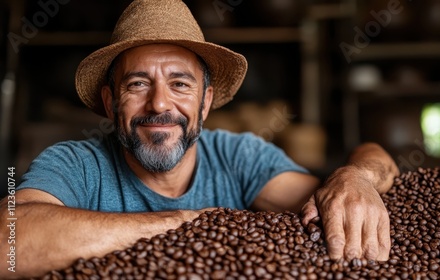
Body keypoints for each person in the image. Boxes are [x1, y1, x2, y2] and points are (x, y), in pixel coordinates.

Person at [0, 0, 400, 278]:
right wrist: (187, 224)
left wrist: (355, 178)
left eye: (180, 84)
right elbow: (8, 243)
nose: (160, 103)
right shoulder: (73, 164)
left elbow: (373, 163)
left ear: (206, 101)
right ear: (109, 102)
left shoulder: (239, 156)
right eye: (138, 84)